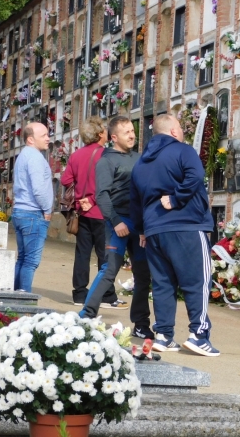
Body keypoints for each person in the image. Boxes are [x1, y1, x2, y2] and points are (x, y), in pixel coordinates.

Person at [130, 114, 219, 356]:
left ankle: (164, 335)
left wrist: (141, 230)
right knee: (196, 281)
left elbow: (135, 201)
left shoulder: (140, 163)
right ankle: (199, 335)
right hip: (186, 225)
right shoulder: (183, 150)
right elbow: (195, 176)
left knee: (162, 284)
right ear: (172, 132)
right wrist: (176, 198)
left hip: (154, 231)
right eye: (179, 128)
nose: (182, 132)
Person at [79, 116, 153, 339]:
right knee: (109, 270)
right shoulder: (106, 161)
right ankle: (85, 317)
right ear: (113, 138)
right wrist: (116, 221)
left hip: (139, 225)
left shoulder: (140, 159)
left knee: (143, 275)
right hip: (118, 222)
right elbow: (102, 196)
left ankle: (141, 324)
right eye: (126, 132)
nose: (132, 135)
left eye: (132, 130)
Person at [60, 116, 117, 307]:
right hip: (102, 212)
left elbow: (66, 180)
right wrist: (92, 199)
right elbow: (112, 182)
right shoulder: (108, 155)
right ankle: (107, 296)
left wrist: (80, 199)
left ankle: (79, 295)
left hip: (82, 213)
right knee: (105, 255)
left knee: (82, 254)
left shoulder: (76, 155)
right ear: (100, 133)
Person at [12, 122, 53, 292]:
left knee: (22, 259)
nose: (48, 138)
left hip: (20, 211)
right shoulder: (36, 157)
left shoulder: (23, 155)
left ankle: (14, 296)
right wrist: (47, 209)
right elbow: (38, 188)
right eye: (43, 135)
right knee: (30, 261)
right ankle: (25, 301)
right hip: (33, 213)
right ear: (30, 139)